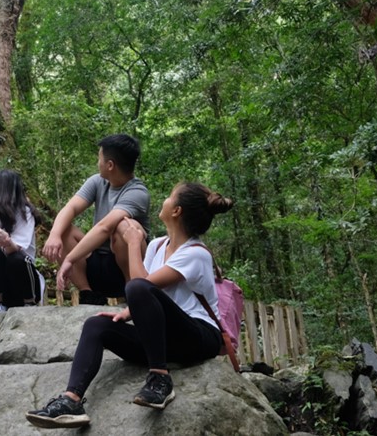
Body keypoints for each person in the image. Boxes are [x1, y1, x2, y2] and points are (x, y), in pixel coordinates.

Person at [25, 182, 233, 428]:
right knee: (97, 325)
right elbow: (148, 293)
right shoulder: (157, 245)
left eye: (169, 196)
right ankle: (71, 401)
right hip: (164, 339)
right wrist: (127, 313)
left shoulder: (197, 253)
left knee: (136, 287)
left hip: (198, 336)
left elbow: (142, 285)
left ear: (176, 211)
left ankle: (159, 379)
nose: (164, 200)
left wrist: (134, 243)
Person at [42, 134, 150, 305]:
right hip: (95, 264)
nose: (97, 163)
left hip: (121, 269)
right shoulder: (97, 181)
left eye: (99, 158)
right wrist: (55, 234)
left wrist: (69, 259)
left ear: (110, 165)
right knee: (64, 229)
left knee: (126, 226)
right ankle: (89, 295)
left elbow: (105, 227)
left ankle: (132, 291)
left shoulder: (137, 192)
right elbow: (70, 208)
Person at [0, 169, 42, 311]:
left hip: (22, 280)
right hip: (2, 283)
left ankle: (29, 303)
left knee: (15, 258)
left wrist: (7, 241)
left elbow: (18, 248)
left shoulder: (25, 213)